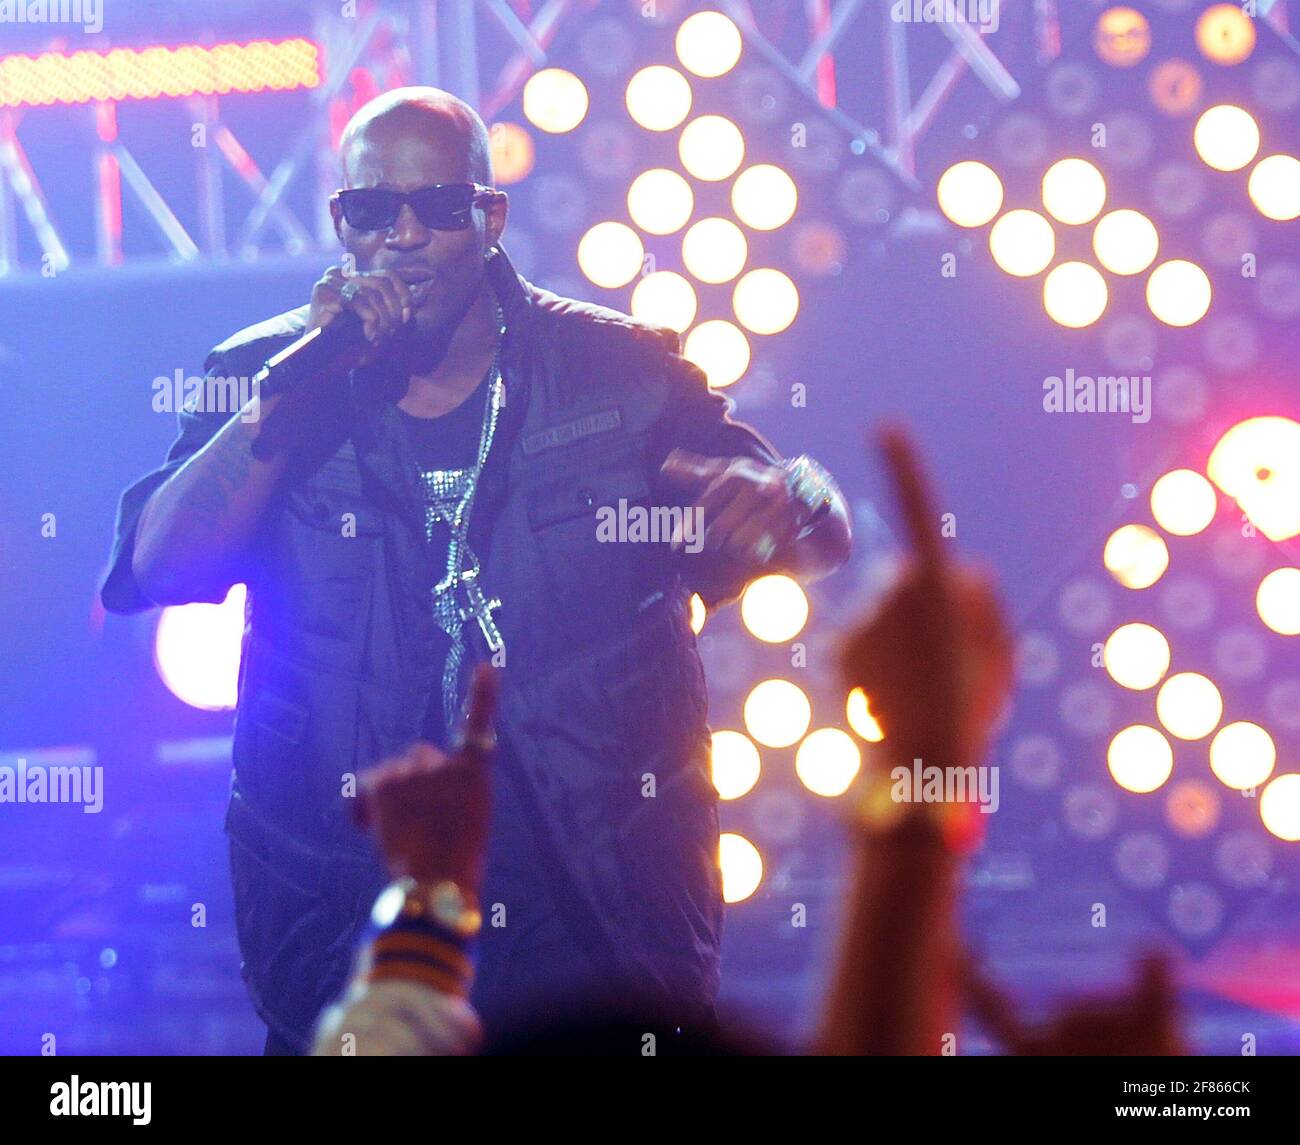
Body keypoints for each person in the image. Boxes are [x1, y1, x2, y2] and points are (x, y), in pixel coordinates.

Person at [100, 86, 852, 1053]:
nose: (404, 235)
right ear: (341, 222)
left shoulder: (616, 369)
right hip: (348, 906)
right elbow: (153, 571)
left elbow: (814, 529)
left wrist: (792, 495)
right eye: (373, 210)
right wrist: (283, 401)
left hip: (593, 907)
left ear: (488, 218)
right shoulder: (270, 374)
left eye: (439, 207)